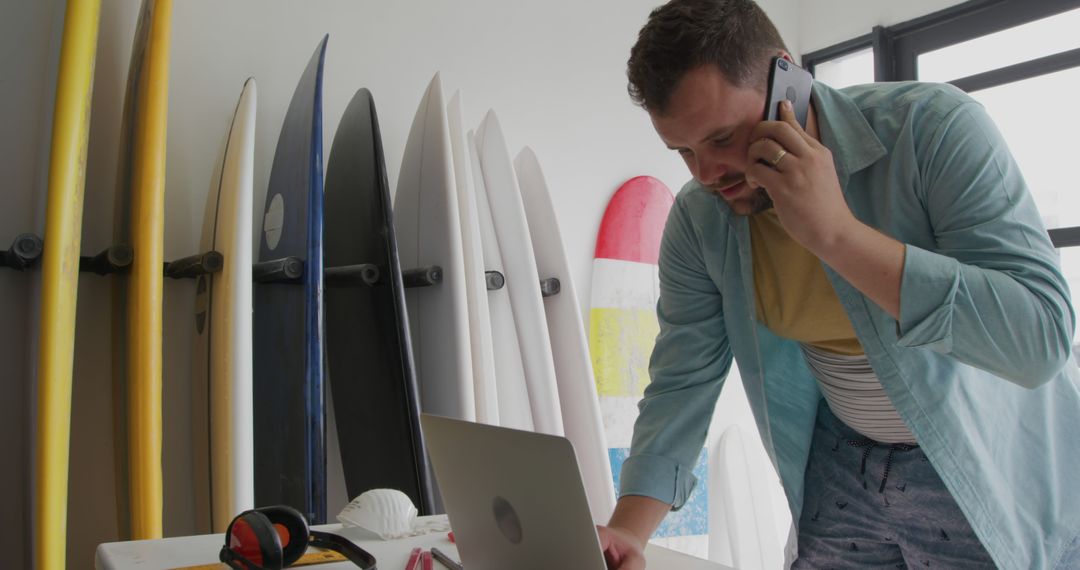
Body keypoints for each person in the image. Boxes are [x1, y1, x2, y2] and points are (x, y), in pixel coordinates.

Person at [596, 0, 1080, 568]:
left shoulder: (934, 129)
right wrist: (629, 530)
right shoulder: (700, 221)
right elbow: (682, 382)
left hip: (980, 464)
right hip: (837, 465)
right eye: (683, 151)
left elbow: (1038, 339)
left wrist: (836, 234)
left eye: (723, 137)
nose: (706, 174)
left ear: (786, 78)